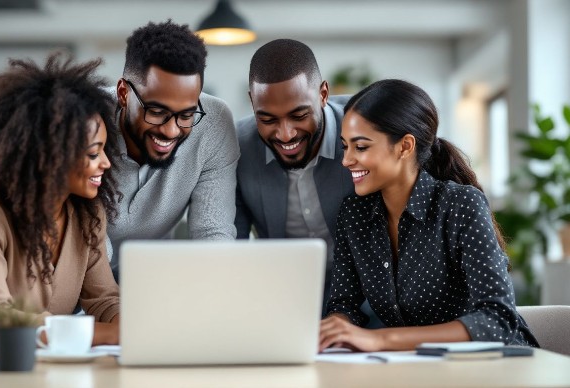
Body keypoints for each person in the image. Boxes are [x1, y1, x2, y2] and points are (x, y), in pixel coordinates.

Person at [319, 79, 539, 352]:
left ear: (405, 146)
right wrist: (334, 330)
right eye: (345, 146)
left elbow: (498, 319)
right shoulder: (354, 214)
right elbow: (344, 305)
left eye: (361, 147)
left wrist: (380, 339)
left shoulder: (460, 204)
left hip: (494, 364)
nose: (347, 160)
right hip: (418, 366)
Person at [0, 53, 122, 355]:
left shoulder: (88, 216)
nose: (106, 163)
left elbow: (104, 301)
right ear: (49, 157)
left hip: (42, 374)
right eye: (93, 153)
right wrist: (104, 334)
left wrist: (127, 325)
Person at [107, 20, 239, 282]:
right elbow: (88, 241)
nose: (170, 131)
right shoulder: (84, 120)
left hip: (152, 284)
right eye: (156, 112)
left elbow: (213, 232)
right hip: (77, 288)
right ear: (123, 93)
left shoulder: (214, 122)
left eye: (186, 114)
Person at [234, 39, 353, 312]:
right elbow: (230, 246)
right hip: (282, 304)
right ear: (252, 101)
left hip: (370, 306)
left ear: (323, 94)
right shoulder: (236, 146)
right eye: (267, 119)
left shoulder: (364, 129)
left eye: (299, 115)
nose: (285, 134)